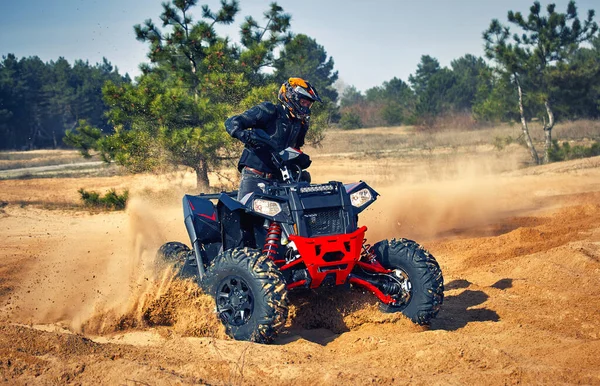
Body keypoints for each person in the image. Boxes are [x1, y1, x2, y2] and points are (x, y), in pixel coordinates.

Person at [225, 77, 322, 200]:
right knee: (247, 215)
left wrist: (298, 158)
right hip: (256, 177)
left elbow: (287, 150)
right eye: (303, 103)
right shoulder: (269, 110)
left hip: (280, 180)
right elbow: (232, 122)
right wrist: (246, 136)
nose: (306, 108)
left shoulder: (299, 124)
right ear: (291, 97)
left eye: (309, 104)